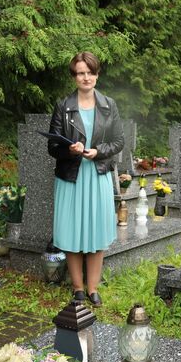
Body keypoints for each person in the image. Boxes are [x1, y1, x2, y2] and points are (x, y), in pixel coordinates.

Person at [47, 52, 124, 306]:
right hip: (72, 176)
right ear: (74, 76)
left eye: (90, 72)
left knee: (97, 231)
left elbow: (118, 141)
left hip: (98, 174)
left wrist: (98, 151)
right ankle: (78, 288)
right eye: (81, 73)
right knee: (71, 230)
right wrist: (70, 150)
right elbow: (52, 146)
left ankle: (93, 288)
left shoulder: (109, 105)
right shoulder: (63, 106)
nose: (86, 77)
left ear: (97, 75)